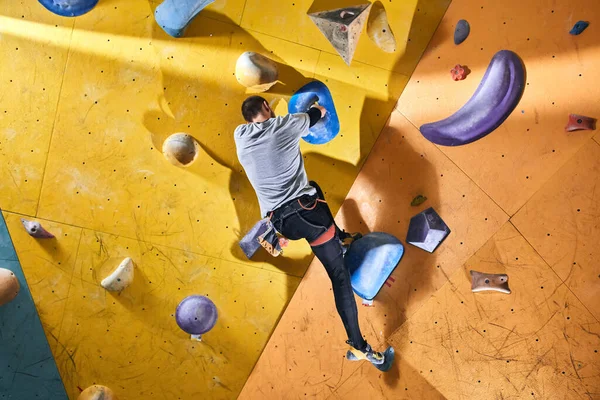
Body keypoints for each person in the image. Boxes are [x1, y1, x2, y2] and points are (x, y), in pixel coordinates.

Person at [234, 95, 387, 365]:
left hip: (281, 223)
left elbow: (265, 128)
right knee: (339, 276)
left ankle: (340, 237)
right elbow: (319, 113)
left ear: (247, 119)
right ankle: (359, 345)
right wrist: (311, 108)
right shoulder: (287, 125)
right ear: (267, 108)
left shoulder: (240, 136)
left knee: (313, 186)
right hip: (309, 214)